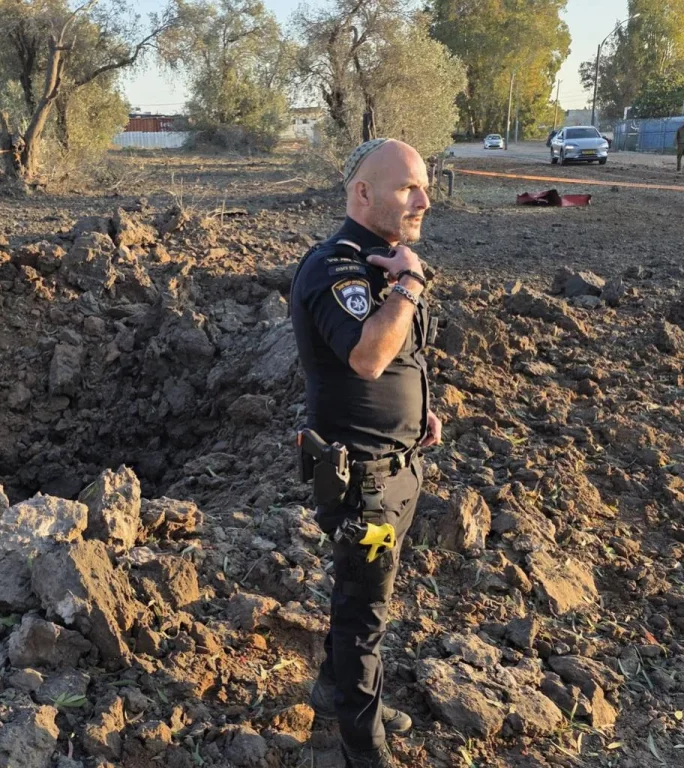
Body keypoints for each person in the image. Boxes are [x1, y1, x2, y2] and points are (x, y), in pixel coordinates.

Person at [289, 138, 444, 768]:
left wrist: (419, 415)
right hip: (362, 487)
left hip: (400, 468)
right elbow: (368, 356)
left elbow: (405, 356)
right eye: (409, 187)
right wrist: (408, 281)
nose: (424, 201)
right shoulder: (335, 267)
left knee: (361, 595)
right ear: (362, 193)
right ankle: (363, 749)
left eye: (424, 187)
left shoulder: (386, 259)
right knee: (363, 620)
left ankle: (333, 686)